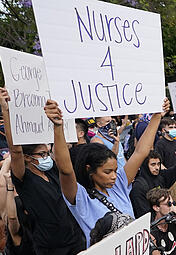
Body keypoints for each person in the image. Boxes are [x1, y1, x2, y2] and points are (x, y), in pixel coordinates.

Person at [56, 99, 168, 245]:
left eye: (115, 170)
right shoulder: (81, 197)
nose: (114, 176)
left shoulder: (119, 185)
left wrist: (157, 116)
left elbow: (141, 151)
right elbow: (65, 171)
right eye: (107, 172)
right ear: (90, 170)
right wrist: (57, 127)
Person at [0, 88, 85, 255]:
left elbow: (64, 163)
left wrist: (57, 125)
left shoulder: (52, 170)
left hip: (74, 236)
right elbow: (16, 151)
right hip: (51, 246)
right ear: (29, 158)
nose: (47, 157)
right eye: (42, 154)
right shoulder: (23, 178)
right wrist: (7, 111)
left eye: (47, 152)